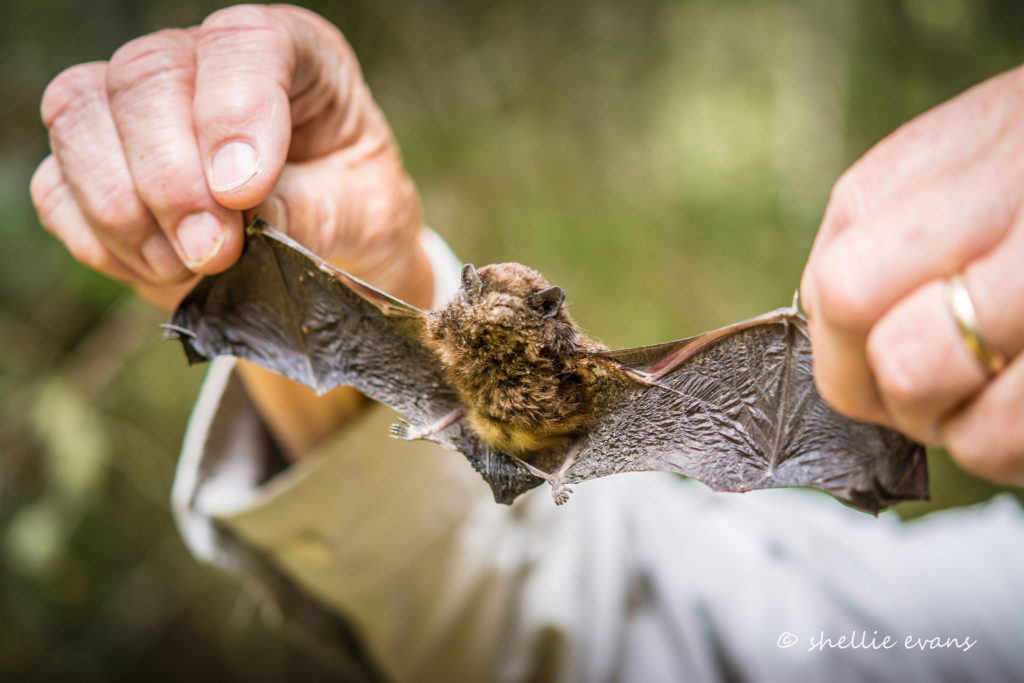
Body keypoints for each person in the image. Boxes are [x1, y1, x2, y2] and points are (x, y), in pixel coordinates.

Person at [31, 5, 1024, 682]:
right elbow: (641, 628)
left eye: (536, 303)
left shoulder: (608, 378)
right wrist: (362, 267)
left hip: (570, 430)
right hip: (469, 418)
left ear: (560, 317)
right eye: (479, 297)